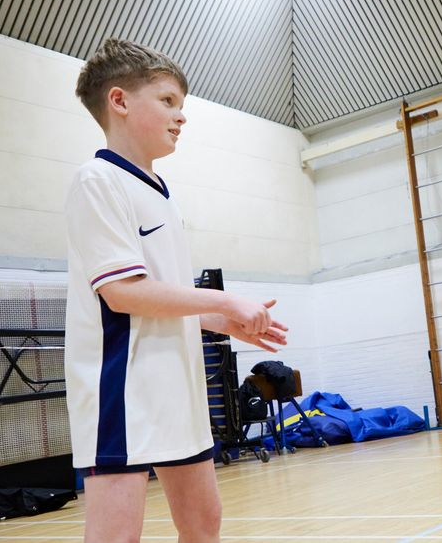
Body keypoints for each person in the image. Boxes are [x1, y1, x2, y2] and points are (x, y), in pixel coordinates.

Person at [65, 39, 288, 543]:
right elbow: (122, 293)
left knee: (203, 523)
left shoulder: (161, 193)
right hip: (124, 387)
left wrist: (217, 321)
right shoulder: (97, 180)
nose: (180, 116)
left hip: (178, 387)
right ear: (119, 101)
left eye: (180, 106)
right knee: (117, 537)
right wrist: (224, 300)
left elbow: (161, 295)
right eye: (167, 101)